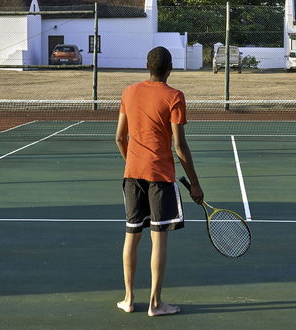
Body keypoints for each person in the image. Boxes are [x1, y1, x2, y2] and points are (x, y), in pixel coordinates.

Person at [115, 46, 204, 317]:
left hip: (132, 176)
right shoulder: (175, 96)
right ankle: (155, 304)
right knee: (159, 240)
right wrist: (195, 184)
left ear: (147, 66)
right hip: (160, 178)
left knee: (132, 236)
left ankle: (128, 299)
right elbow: (180, 146)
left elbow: (120, 138)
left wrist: (133, 162)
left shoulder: (128, 92)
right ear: (170, 68)